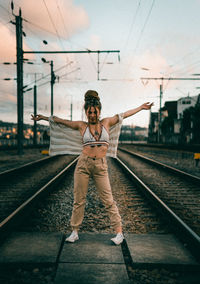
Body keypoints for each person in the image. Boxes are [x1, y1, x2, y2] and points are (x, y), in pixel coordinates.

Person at [31, 90, 153, 245]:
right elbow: (62, 121)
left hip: (101, 166)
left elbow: (124, 115)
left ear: (99, 111)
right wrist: (43, 118)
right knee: (79, 199)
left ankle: (119, 233)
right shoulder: (81, 126)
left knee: (108, 199)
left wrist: (141, 108)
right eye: (89, 113)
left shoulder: (107, 122)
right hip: (83, 164)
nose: (92, 115)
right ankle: (74, 232)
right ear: (86, 112)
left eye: (94, 112)